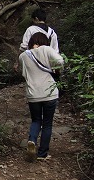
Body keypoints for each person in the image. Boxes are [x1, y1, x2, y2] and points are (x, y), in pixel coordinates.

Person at [19, 31, 65, 161]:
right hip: (49, 93)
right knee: (47, 124)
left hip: (33, 94)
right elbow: (60, 61)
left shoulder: (23, 56)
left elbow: (23, 74)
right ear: (44, 42)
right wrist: (54, 69)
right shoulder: (47, 49)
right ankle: (42, 153)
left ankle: (32, 140)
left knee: (36, 120)